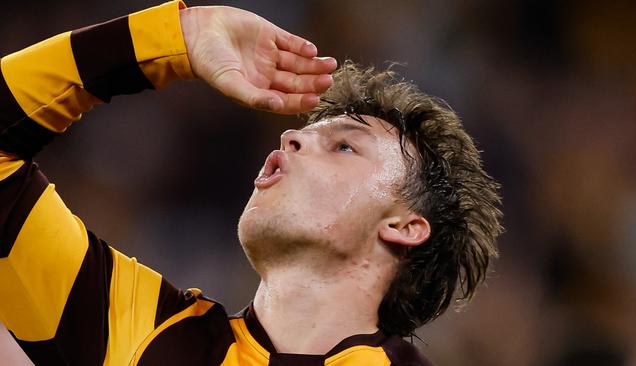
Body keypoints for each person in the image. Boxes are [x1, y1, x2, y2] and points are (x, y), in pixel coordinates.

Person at [0, 1, 502, 365]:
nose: (290, 139)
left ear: (404, 226)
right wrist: (180, 38)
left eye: (345, 145)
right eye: (301, 134)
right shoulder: (143, 336)